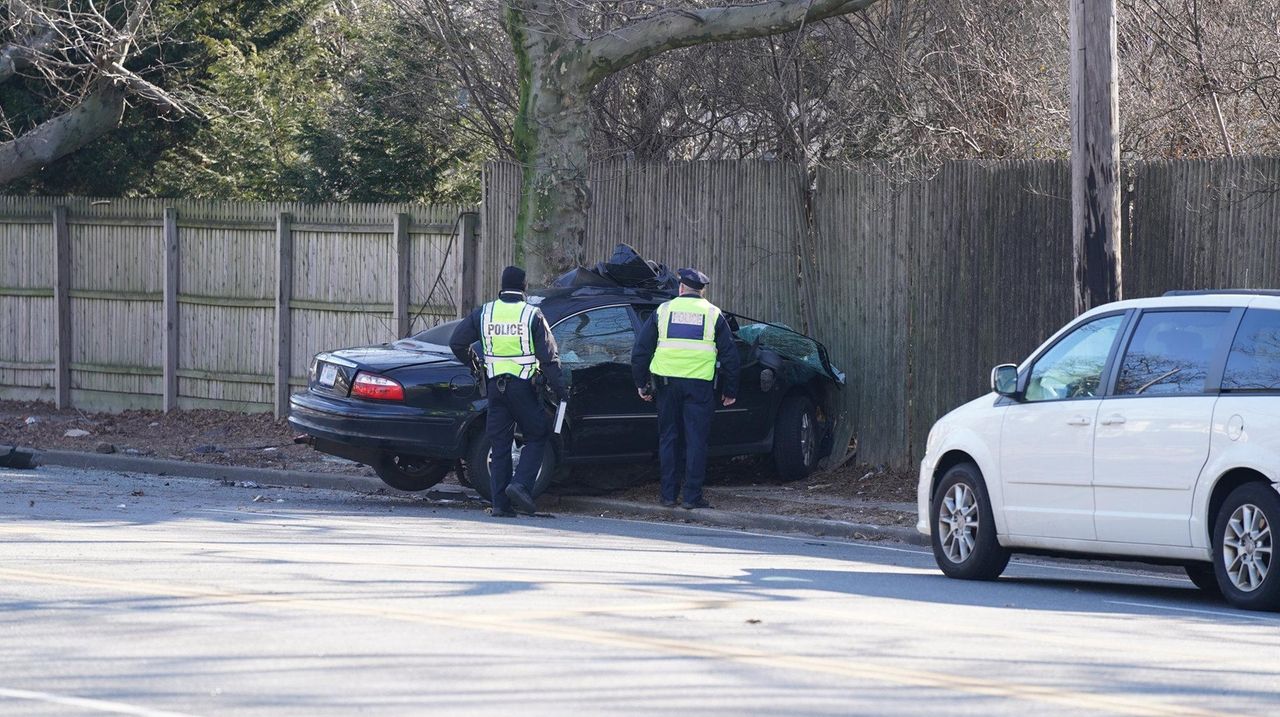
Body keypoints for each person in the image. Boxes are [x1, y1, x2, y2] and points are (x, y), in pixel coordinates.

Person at [450, 266, 566, 517]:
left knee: (499, 444)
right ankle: (521, 484)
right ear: (524, 288)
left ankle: (500, 505)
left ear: (501, 286)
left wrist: (475, 365)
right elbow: (549, 356)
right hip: (524, 387)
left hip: (494, 388)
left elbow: (457, 342)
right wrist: (561, 389)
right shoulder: (531, 314)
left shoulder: (485, 312)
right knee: (537, 434)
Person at [631, 268, 739, 509]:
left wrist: (641, 384)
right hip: (699, 387)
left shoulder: (664, 311)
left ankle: (668, 495)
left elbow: (640, 351)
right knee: (696, 440)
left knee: (668, 438)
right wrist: (730, 389)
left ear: (680, 288)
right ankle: (692, 497)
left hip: (667, 385)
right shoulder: (713, 314)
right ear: (702, 291)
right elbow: (731, 355)